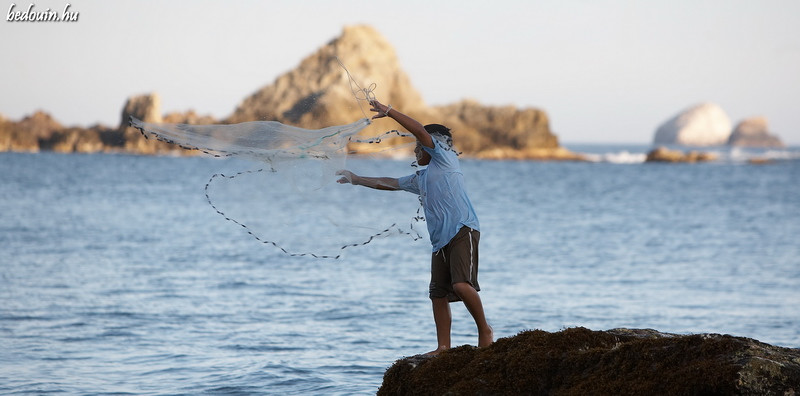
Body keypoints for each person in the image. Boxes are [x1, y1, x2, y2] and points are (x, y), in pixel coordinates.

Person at [336, 99, 493, 355]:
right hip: (439, 242)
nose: (414, 151)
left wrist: (389, 112)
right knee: (437, 293)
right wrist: (357, 179)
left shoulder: (445, 160)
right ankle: (443, 347)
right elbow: (388, 183)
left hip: (463, 230)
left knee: (462, 285)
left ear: (429, 146)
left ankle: (485, 329)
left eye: (418, 147)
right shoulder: (421, 178)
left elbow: (420, 130)